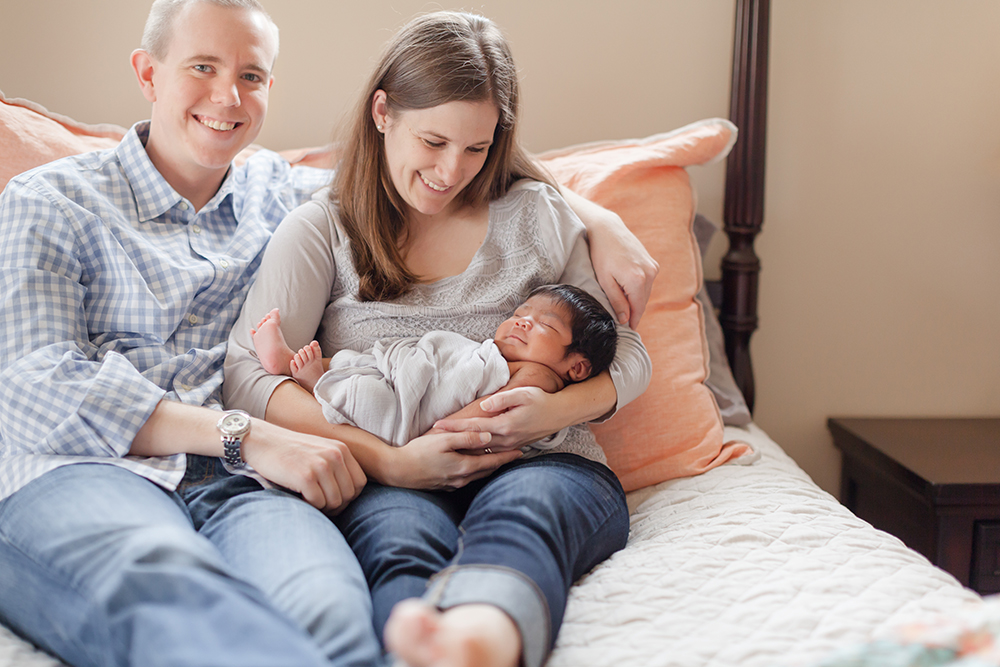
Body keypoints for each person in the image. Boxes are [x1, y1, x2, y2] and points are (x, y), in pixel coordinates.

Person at [0, 2, 656, 665]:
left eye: (252, 75)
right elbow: (35, 384)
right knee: (168, 585)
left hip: (250, 482)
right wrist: (300, 443)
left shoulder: (277, 189)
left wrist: (598, 216)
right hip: (99, 467)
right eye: (203, 66)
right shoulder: (49, 200)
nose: (229, 96)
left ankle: (457, 644)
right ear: (147, 72)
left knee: (335, 616)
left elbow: (451, 168)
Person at [223, 11, 652, 667]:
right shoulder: (324, 232)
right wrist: (390, 460)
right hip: (391, 474)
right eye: (434, 142)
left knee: (525, 515)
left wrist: (554, 409)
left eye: (476, 148)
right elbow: (248, 379)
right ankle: (414, 648)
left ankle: (480, 639)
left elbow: (627, 352)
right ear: (383, 112)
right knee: (397, 538)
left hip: (545, 460)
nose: (452, 170)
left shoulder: (536, 215)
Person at [251, 283, 618, 451]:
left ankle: (316, 380)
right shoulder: (497, 355)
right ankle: (291, 364)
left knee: (372, 399)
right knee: (365, 363)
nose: (523, 322)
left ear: (578, 367)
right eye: (521, 314)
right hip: (411, 373)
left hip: (412, 414)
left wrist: (439, 436)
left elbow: (489, 412)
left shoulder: (540, 377)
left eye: (546, 325)